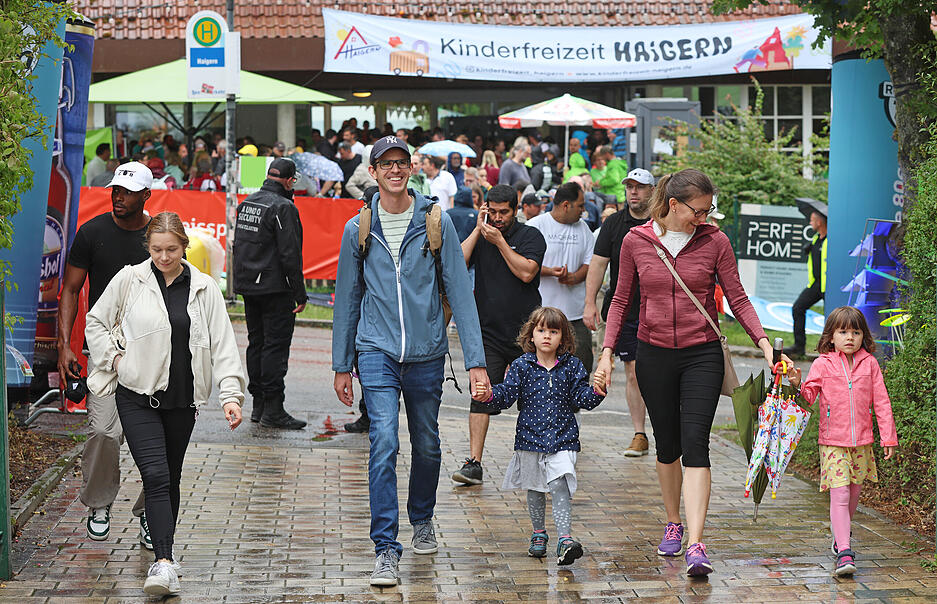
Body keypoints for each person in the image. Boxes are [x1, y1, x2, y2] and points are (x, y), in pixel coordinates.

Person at [596, 169, 789, 577]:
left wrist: (765, 344)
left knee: (695, 443)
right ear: (673, 205)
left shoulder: (715, 241)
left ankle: (697, 544)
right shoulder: (636, 241)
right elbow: (621, 300)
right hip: (653, 353)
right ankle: (673, 522)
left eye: (708, 211)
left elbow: (737, 297)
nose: (703, 218)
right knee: (667, 445)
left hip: (703, 353)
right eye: (698, 211)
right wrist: (607, 351)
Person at [332, 135, 489, 587]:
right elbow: (347, 298)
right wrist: (342, 363)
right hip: (376, 349)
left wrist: (475, 361)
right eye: (387, 164)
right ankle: (385, 547)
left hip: (425, 353)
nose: (395, 170)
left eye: (402, 162)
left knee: (429, 444)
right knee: (383, 441)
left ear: (411, 169)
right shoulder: (357, 229)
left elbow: (460, 292)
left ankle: (422, 517)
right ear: (375, 171)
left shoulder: (435, 221)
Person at [85, 212, 245, 597]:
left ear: (184, 246)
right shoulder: (130, 279)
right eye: (156, 249)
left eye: (171, 249)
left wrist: (230, 395)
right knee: (155, 475)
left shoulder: (204, 288)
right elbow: (96, 323)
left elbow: (223, 346)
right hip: (136, 396)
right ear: (148, 247)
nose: (163, 257)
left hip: (182, 401)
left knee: (169, 477)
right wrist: (117, 360)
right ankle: (164, 562)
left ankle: (164, 555)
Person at [57, 161, 151, 548]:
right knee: (102, 430)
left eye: (127, 192)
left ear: (146, 196)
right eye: (115, 190)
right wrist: (64, 345)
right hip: (102, 350)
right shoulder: (92, 232)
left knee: (152, 440)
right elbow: (70, 289)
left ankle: (151, 514)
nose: (118, 197)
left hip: (150, 351)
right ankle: (99, 504)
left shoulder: (159, 235)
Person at [471, 306, 604, 565]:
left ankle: (565, 538)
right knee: (535, 489)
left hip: (563, 439)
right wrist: (488, 395)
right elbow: (506, 395)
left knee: (559, 484)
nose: (546, 336)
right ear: (530, 335)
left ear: (563, 338)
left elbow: (581, 397)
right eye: (541, 330)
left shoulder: (572, 367)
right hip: (529, 439)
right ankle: (539, 533)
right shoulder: (522, 366)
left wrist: (597, 392)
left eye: (553, 331)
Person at [787, 306, 898, 577]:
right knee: (840, 493)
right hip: (833, 441)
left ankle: (840, 535)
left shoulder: (869, 363)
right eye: (843, 331)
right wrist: (796, 384)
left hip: (862, 442)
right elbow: (809, 398)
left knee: (854, 494)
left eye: (856, 332)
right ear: (831, 336)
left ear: (863, 336)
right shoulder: (822, 364)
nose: (850, 337)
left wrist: (888, 437)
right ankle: (845, 551)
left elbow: (881, 401)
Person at [450, 184, 546, 486]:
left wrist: (501, 242)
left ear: (515, 210)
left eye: (504, 212)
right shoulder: (483, 234)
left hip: (526, 334)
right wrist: (480, 230)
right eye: (493, 211)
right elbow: (456, 263)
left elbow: (527, 272)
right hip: (487, 332)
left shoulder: (530, 236)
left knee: (534, 398)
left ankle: (536, 460)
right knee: (480, 394)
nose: (498, 217)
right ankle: (474, 463)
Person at [232, 158, 308, 429]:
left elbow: (237, 246)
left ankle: (259, 406)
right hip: (276, 288)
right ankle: (273, 409)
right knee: (275, 347)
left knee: (257, 344)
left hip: (249, 286)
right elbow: (290, 254)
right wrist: (300, 293)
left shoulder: (247, 202)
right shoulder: (284, 207)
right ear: (289, 181)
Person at [584, 168, 654, 458]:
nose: (633, 192)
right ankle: (640, 433)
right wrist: (589, 302)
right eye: (629, 187)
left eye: (639, 187)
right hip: (624, 307)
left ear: (652, 191)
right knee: (634, 372)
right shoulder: (613, 224)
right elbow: (598, 264)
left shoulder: (662, 222)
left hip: (659, 308)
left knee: (659, 372)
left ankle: (666, 427)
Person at [527, 182, 594, 372]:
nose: (583, 210)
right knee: (536, 374)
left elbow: (590, 264)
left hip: (575, 315)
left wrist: (574, 277)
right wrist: (549, 271)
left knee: (581, 370)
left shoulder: (584, 230)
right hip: (540, 315)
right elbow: (521, 264)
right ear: (566, 205)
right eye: (580, 205)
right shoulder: (535, 226)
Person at [786, 207, 827, 357]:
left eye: (812, 219)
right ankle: (799, 346)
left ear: (819, 222)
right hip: (816, 285)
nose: (810, 222)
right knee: (798, 308)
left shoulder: (831, 240)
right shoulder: (816, 238)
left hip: (828, 286)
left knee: (832, 318)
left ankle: (830, 350)